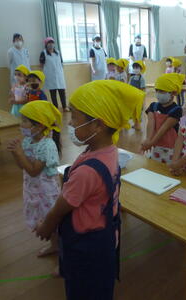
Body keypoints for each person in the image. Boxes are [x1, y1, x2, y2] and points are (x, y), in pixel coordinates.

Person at [34, 80, 144, 300]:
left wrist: (48, 224)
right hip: (104, 240)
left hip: (86, 247)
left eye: (75, 117)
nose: (70, 123)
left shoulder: (88, 171)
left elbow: (64, 204)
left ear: (98, 125)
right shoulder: (109, 151)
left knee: (83, 290)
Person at [7, 101, 62, 258]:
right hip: (32, 187)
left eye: (25, 121)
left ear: (39, 126)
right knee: (42, 216)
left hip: (45, 189)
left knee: (49, 218)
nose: (21, 124)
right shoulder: (27, 141)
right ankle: (55, 245)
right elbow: (22, 167)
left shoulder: (47, 145)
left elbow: (34, 171)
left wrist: (19, 154)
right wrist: (15, 153)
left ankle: (59, 246)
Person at [141, 73, 184, 164]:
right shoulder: (153, 106)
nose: (158, 94)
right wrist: (148, 140)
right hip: (156, 146)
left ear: (173, 93)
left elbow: (164, 128)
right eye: (157, 90)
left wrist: (150, 143)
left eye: (162, 91)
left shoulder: (177, 110)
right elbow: (150, 123)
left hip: (171, 149)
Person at [40, 37, 68, 112]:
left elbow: (61, 63)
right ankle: (56, 108)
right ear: (46, 44)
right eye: (49, 43)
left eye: (52, 42)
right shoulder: (44, 53)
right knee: (53, 93)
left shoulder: (58, 52)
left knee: (62, 92)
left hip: (59, 75)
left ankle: (64, 107)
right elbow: (41, 65)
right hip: (50, 76)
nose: (51, 44)